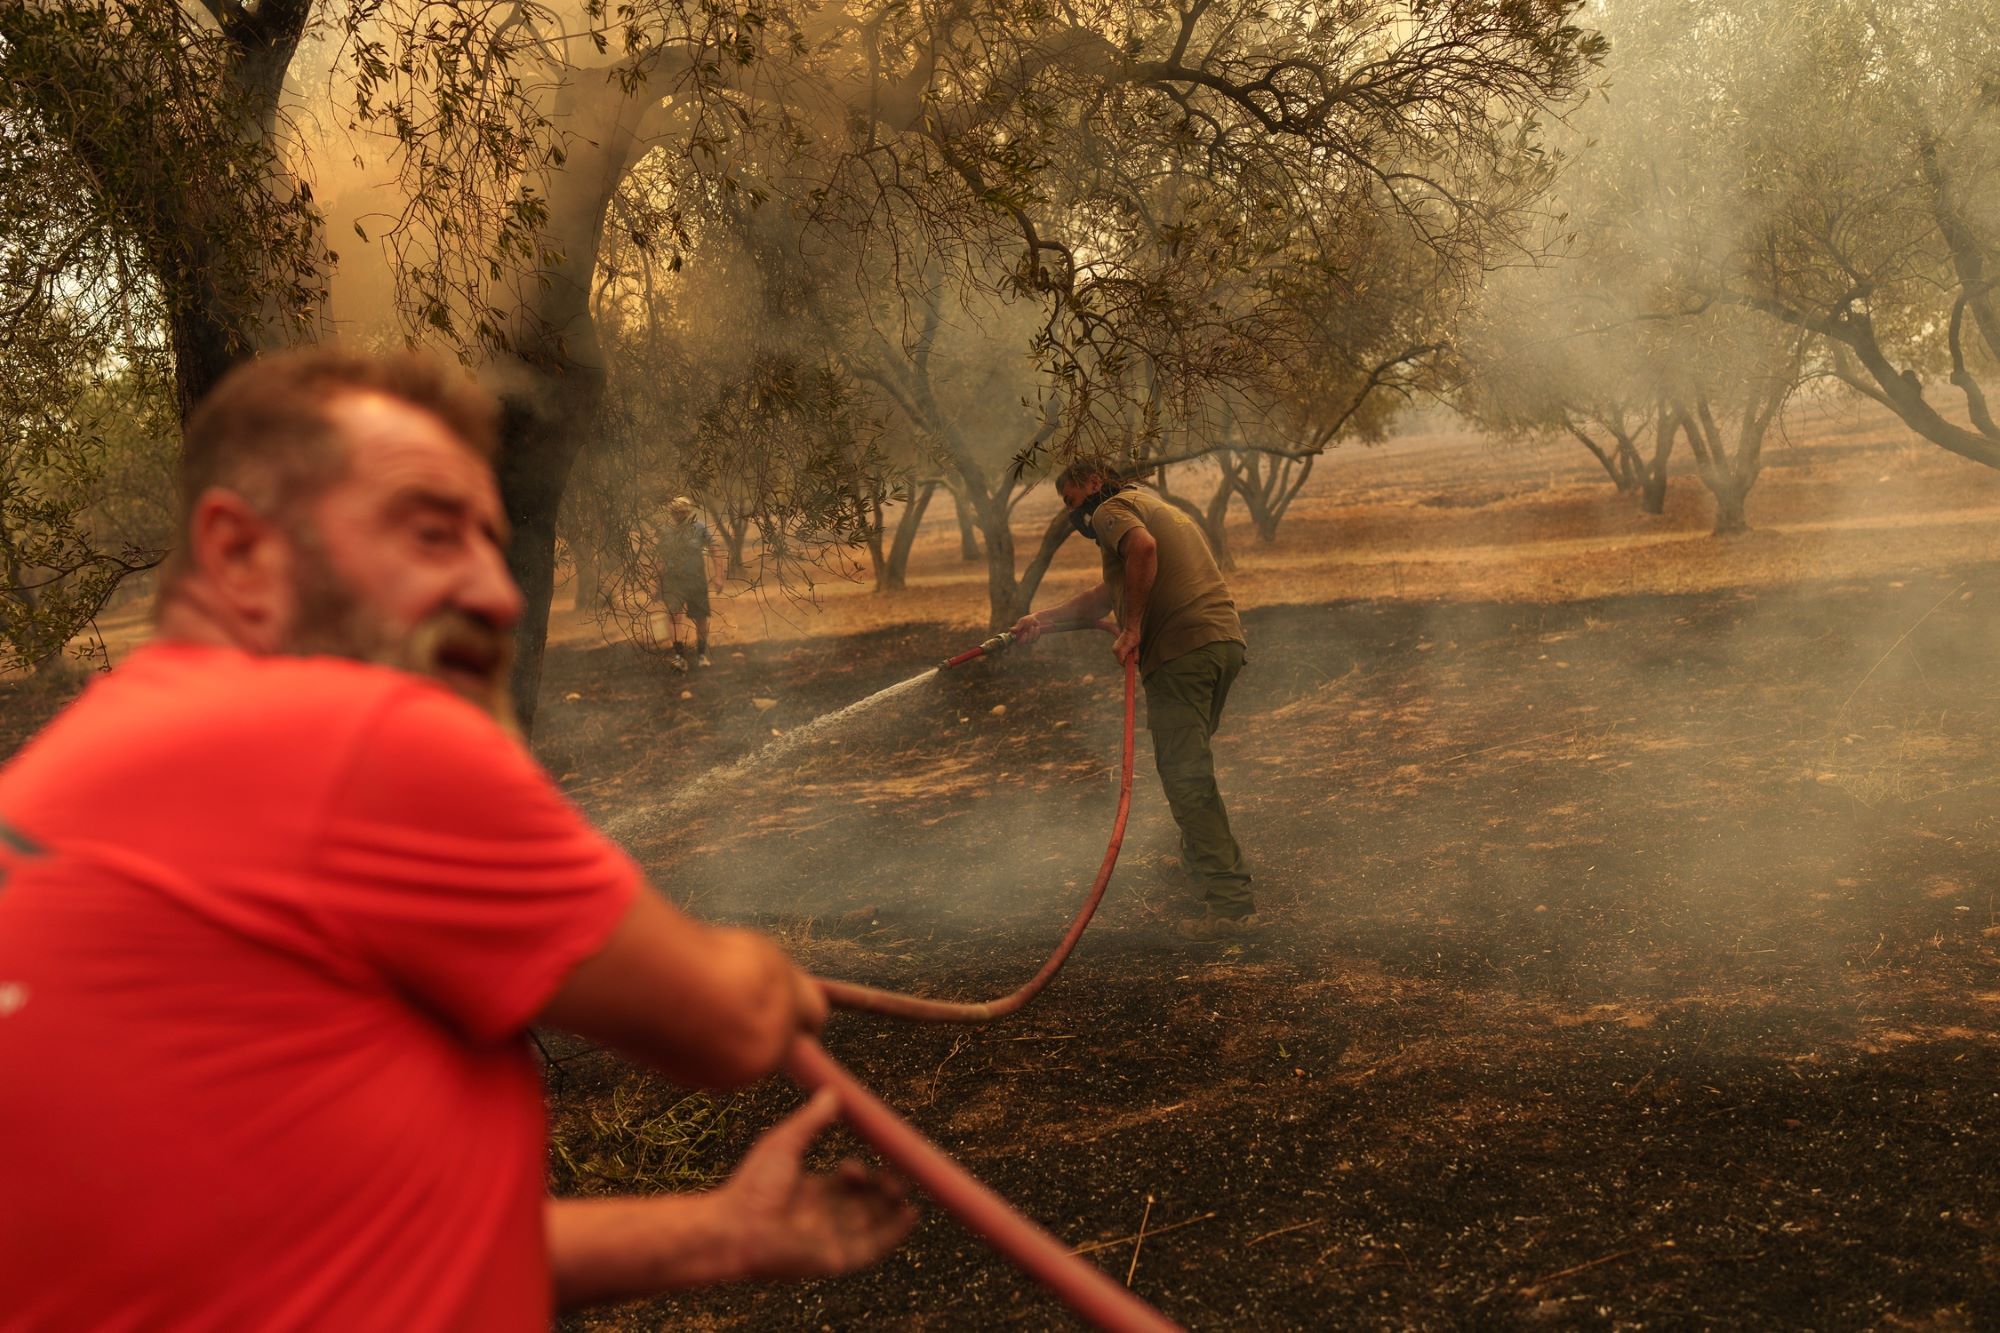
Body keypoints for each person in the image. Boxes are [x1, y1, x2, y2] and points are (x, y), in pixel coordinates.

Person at [0, 348, 914, 1330]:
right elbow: (730, 1024)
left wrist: (715, 1234)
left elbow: (298, 1246)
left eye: (489, 541)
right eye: (430, 532)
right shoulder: (355, 738)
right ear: (240, 553)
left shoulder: (65, 782)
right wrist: (768, 978)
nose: (497, 592)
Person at [1012, 462, 1256, 939]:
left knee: (1185, 776)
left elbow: (1143, 549)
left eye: (1070, 500)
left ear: (1093, 484)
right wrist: (1040, 619)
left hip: (1181, 652)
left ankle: (1230, 906)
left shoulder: (1112, 509)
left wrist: (1133, 628)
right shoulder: (1149, 503)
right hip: (1221, 643)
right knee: (1188, 765)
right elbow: (1105, 595)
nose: (1072, 513)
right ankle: (1200, 865)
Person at [658, 495, 724, 669]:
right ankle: (679, 656)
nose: (679, 514)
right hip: (673, 581)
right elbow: (660, 560)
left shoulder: (699, 528)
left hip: (696, 580)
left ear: (688, 512)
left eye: (682, 511)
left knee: (701, 617)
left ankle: (701, 655)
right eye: (675, 511)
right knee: (674, 616)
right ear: (671, 513)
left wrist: (719, 576)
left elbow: (715, 550)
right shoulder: (665, 531)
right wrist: (656, 584)